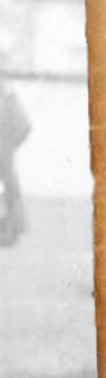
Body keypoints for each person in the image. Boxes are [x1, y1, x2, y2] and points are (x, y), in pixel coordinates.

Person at [0, 72, 29, 248]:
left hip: (4, 156)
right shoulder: (9, 100)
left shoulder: (9, 100)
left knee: (9, 191)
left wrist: (10, 145)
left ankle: (11, 232)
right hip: (5, 154)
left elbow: (25, 126)